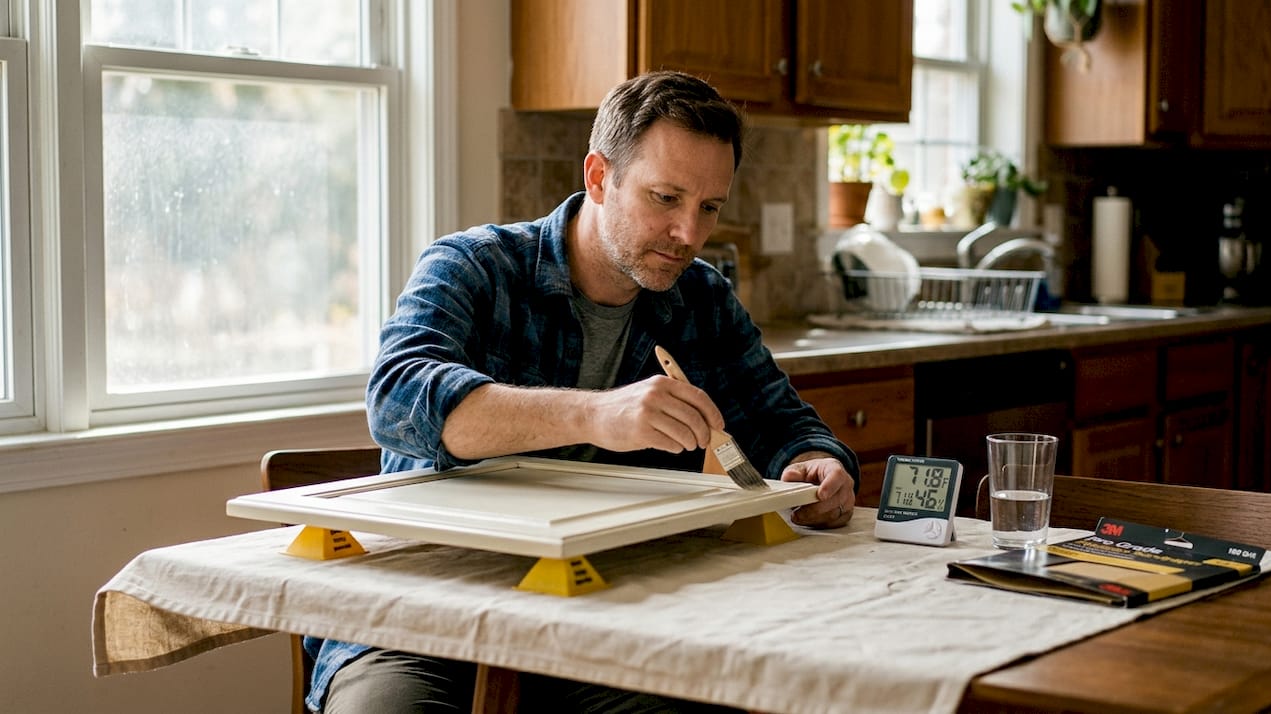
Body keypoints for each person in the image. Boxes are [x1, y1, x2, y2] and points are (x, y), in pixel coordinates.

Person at [307, 70, 860, 713]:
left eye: (709, 207)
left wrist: (818, 462)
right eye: (664, 198)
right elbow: (399, 400)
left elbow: (783, 421)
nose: (690, 234)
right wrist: (599, 415)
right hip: (422, 608)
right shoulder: (472, 267)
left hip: (610, 612)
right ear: (599, 178)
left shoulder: (702, 298)